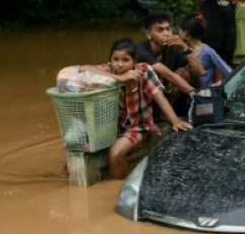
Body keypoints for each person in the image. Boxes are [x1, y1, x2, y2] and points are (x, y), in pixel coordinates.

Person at [80, 38, 192, 179]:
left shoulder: (144, 71)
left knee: (115, 155)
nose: (120, 65)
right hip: (112, 127)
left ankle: (117, 189)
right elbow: (82, 69)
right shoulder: (109, 70)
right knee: (75, 157)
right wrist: (118, 78)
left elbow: (160, 97)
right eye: (115, 59)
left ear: (134, 61)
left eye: (125, 60)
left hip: (138, 127)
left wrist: (175, 121)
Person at [136, 12, 204, 115]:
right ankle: (159, 115)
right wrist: (197, 94)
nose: (166, 34)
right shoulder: (141, 51)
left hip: (166, 95)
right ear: (148, 34)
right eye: (160, 30)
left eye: (168, 29)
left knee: (184, 72)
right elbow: (168, 75)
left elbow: (200, 72)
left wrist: (184, 47)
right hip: (144, 98)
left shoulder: (172, 48)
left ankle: (164, 114)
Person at [178, 13, 231, 88]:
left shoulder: (207, 51)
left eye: (180, 30)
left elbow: (226, 70)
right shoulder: (181, 49)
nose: (178, 32)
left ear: (187, 33)